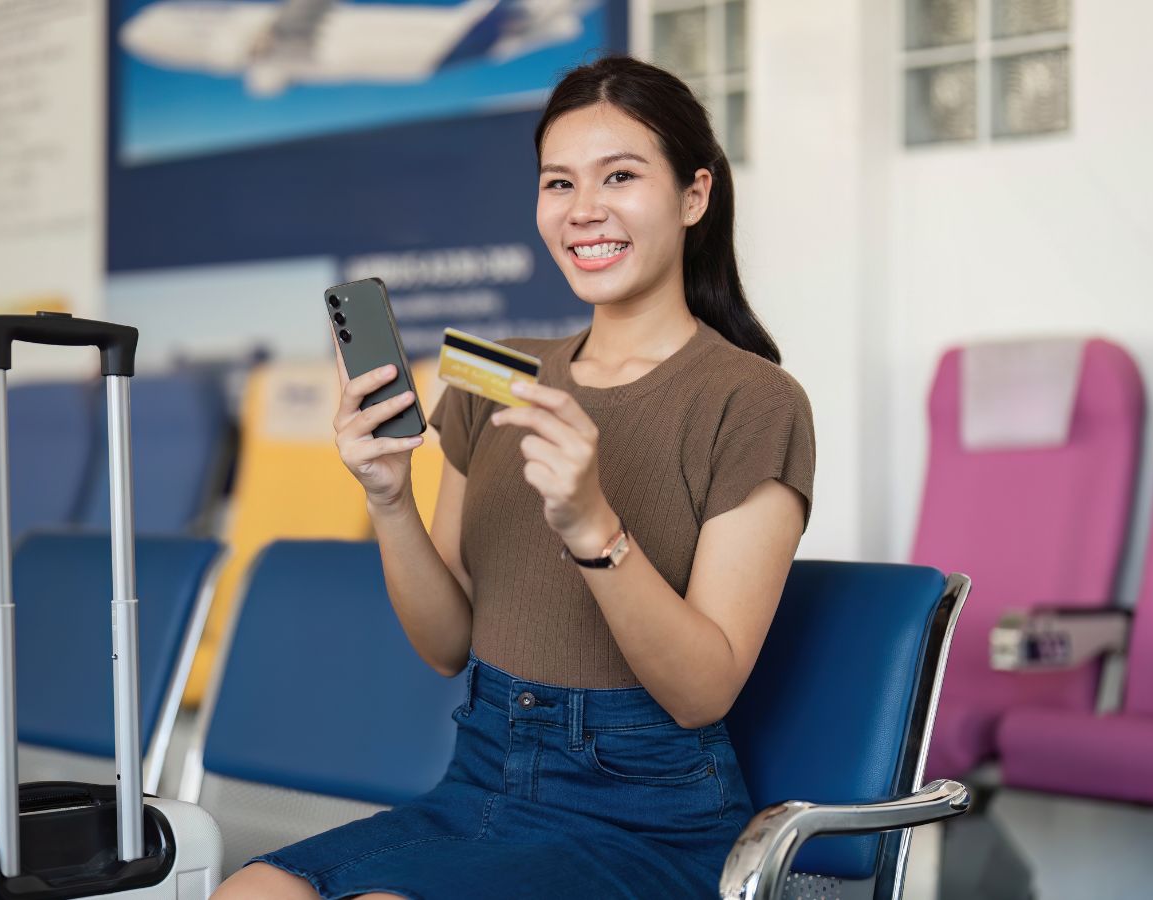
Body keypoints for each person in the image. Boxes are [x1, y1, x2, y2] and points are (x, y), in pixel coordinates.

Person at [214, 55, 815, 899]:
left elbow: (701, 692)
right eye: (558, 183)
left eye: (621, 176)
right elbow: (445, 644)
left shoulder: (755, 401)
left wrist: (591, 525)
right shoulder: (491, 374)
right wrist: (388, 500)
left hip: (650, 818)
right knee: (250, 892)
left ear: (694, 196)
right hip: (484, 779)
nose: (585, 210)